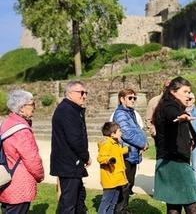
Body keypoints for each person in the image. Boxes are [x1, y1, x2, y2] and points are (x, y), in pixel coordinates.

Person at [152, 76, 196, 213]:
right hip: (176, 163)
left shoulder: (167, 104)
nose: (189, 95)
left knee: (173, 206)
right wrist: (180, 117)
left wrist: (191, 140)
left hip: (167, 161)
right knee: (192, 204)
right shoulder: (170, 106)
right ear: (173, 92)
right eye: (185, 91)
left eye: (189, 92)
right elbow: (171, 114)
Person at [0, 90, 44, 213]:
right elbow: (32, 159)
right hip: (19, 184)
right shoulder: (21, 130)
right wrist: (40, 175)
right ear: (21, 108)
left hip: (6, 179)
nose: (34, 108)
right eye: (32, 104)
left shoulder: (7, 122)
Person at [50, 80, 91, 214]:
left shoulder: (71, 109)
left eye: (86, 92)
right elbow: (75, 139)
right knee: (68, 204)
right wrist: (86, 156)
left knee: (78, 198)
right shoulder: (67, 111)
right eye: (81, 92)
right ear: (69, 93)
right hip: (68, 165)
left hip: (71, 164)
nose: (84, 96)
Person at [113, 88, 147, 213]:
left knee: (129, 182)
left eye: (134, 98)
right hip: (125, 153)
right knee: (125, 183)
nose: (133, 100)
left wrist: (144, 142)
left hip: (132, 152)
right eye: (130, 98)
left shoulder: (130, 112)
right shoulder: (121, 114)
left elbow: (137, 129)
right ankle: (120, 209)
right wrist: (142, 143)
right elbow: (127, 133)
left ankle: (124, 208)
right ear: (122, 99)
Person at [97, 122, 129, 214]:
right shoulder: (106, 143)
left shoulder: (115, 143)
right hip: (110, 179)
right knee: (106, 203)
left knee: (113, 203)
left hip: (117, 178)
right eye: (119, 131)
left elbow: (117, 152)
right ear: (112, 133)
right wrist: (109, 160)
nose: (121, 133)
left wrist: (126, 150)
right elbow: (101, 157)